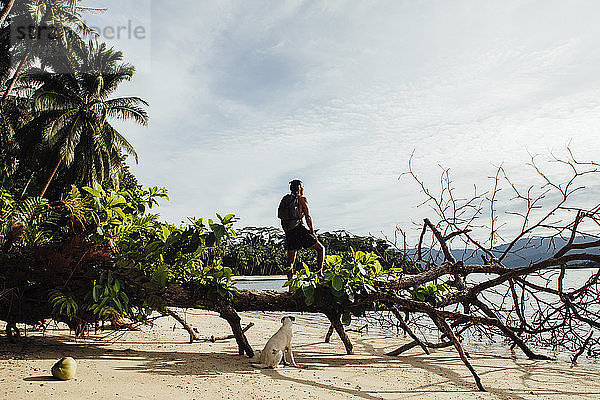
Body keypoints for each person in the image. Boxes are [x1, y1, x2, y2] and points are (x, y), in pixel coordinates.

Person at [278, 179, 325, 279]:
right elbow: (308, 217)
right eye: (302, 187)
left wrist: (287, 232)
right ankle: (319, 274)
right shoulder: (302, 199)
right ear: (300, 189)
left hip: (290, 231)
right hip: (300, 229)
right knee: (321, 249)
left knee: (290, 261)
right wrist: (312, 233)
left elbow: (282, 218)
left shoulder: (285, 200)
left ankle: (290, 287)